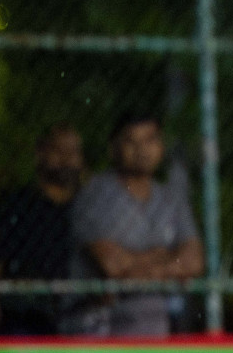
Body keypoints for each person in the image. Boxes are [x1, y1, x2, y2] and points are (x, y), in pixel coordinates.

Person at [63, 112, 201, 337]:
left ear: (161, 146)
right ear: (113, 148)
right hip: (98, 327)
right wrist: (164, 257)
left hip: (156, 327)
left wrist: (135, 265)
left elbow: (194, 261)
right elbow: (113, 266)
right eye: (131, 141)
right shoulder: (95, 195)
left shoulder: (170, 198)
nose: (141, 150)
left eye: (150, 139)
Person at [0, 123, 83, 334]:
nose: (65, 158)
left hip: (78, 313)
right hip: (25, 314)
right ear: (41, 153)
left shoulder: (87, 206)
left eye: (72, 152)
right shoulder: (17, 204)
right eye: (58, 150)